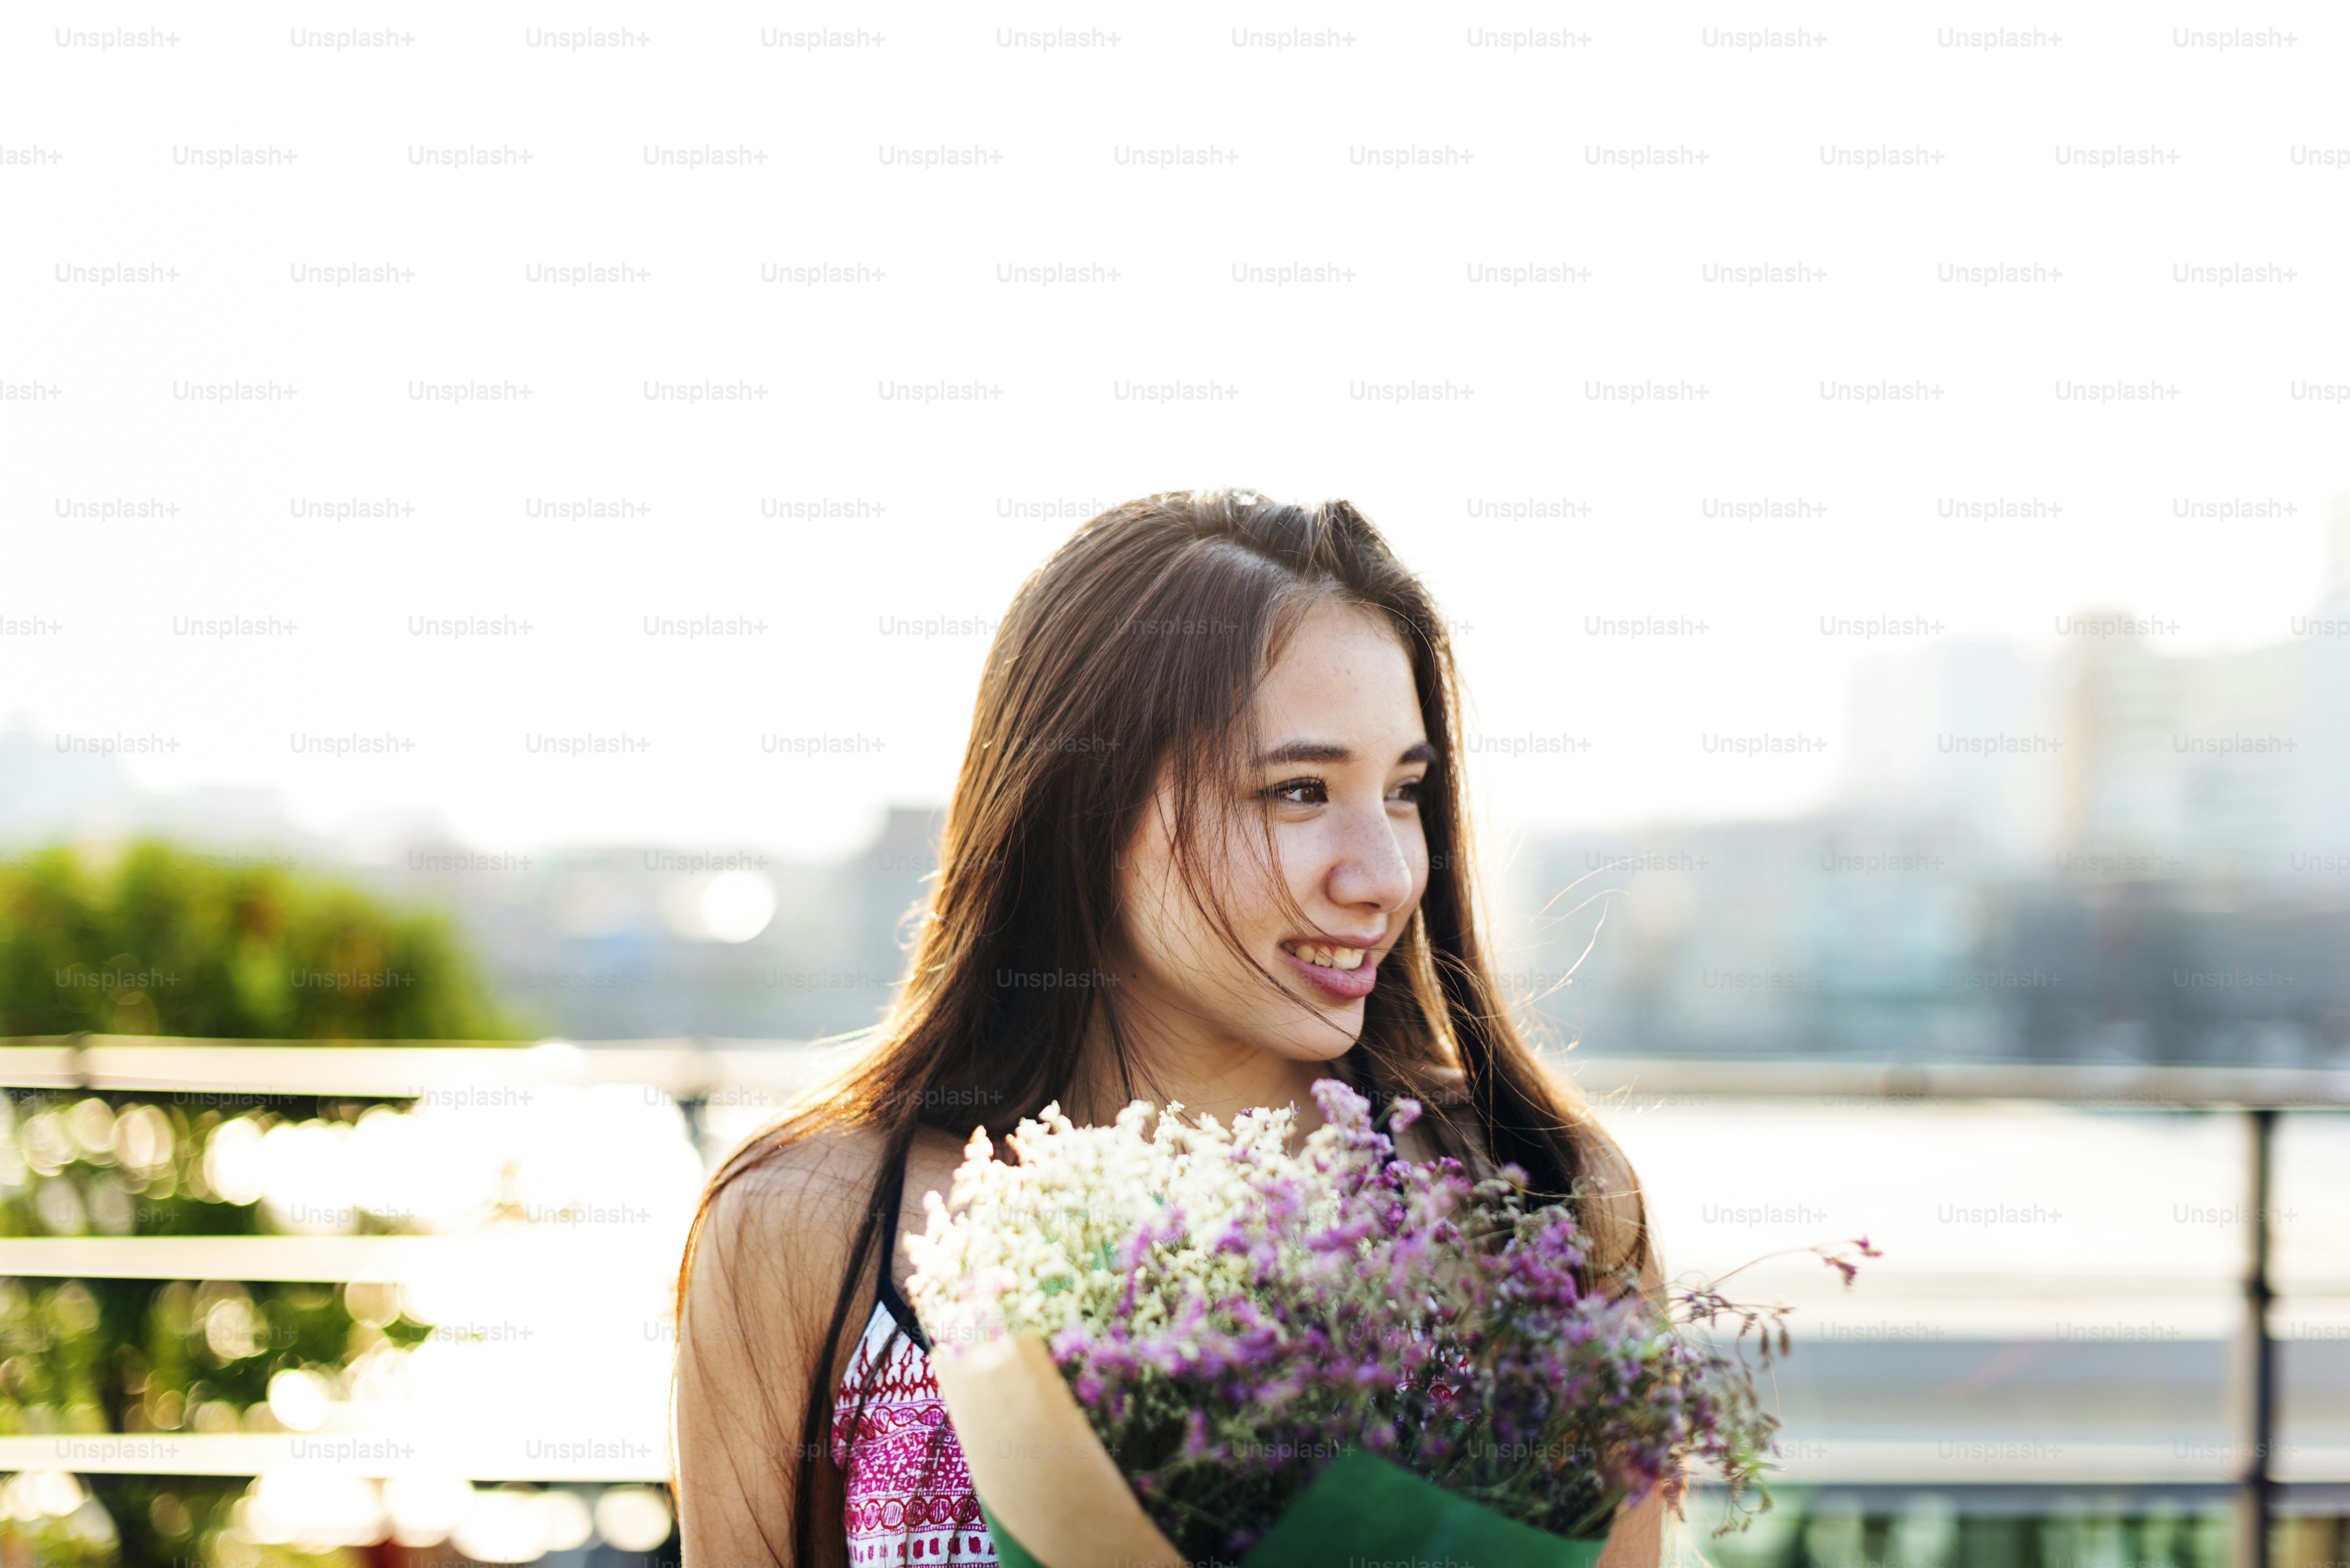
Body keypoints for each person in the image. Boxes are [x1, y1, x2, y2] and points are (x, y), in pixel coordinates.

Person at [674, 489, 1664, 1566]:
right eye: (1298, 791)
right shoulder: (805, 1229)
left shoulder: (1538, 1202)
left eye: (1405, 792)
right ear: (1083, 805)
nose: (1384, 874)